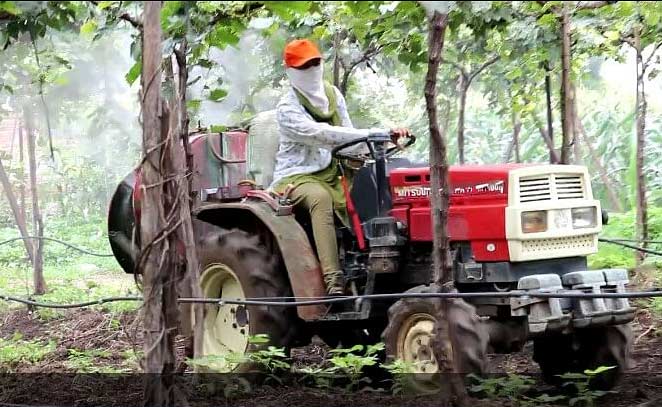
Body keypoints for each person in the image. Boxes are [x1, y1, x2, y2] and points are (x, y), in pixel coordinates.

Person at [271, 39, 410, 296]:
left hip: (336, 170)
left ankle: (376, 259)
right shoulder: (287, 108)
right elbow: (323, 134)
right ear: (290, 70)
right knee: (320, 199)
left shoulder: (332, 95)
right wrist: (376, 132)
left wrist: (383, 140)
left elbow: (349, 139)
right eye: (304, 66)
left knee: (380, 183)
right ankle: (334, 280)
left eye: (315, 63)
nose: (312, 70)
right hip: (299, 176)